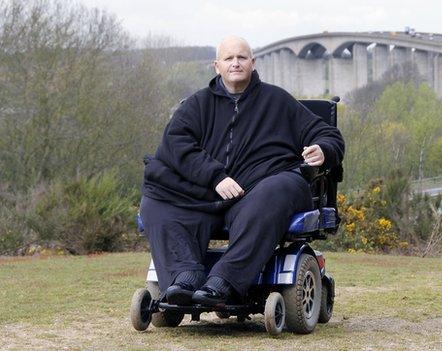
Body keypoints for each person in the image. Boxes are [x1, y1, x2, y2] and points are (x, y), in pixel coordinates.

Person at [139, 36, 344, 307]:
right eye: (229, 58)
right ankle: (183, 277)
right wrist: (216, 177)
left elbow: (327, 133)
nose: (235, 63)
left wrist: (323, 148)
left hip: (256, 191)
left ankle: (224, 281)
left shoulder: (278, 101)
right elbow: (176, 144)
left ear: (253, 63)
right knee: (155, 199)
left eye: (242, 57)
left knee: (282, 187)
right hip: (205, 193)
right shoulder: (196, 105)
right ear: (217, 66)